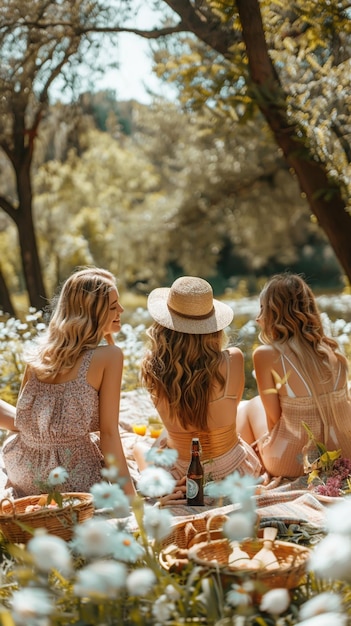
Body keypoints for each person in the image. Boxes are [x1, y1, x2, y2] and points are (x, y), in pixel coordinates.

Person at [2, 267, 136, 498]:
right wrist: (133, 501)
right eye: (113, 306)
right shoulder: (110, 356)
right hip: (72, 478)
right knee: (128, 456)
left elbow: (27, 420)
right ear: (91, 313)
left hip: (24, 470)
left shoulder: (38, 355)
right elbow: (109, 434)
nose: (121, 310)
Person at [133, 276, 262, 502]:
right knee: (242, 407)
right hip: (232, 473)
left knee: (139, 447)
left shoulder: (152, 367)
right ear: (212, 326)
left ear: (164, 325)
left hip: (182, 475)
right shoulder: (233, 360)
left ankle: (165, 484)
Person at [237, 272, 351, 479]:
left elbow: (274, 421)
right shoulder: (333, 351)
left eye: (262, 309)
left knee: (248, 407)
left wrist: (267, 444)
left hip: (294, 463)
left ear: (275, 313)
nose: (257, 317)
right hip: (344, 456)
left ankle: (246, 471)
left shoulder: (266, 355)